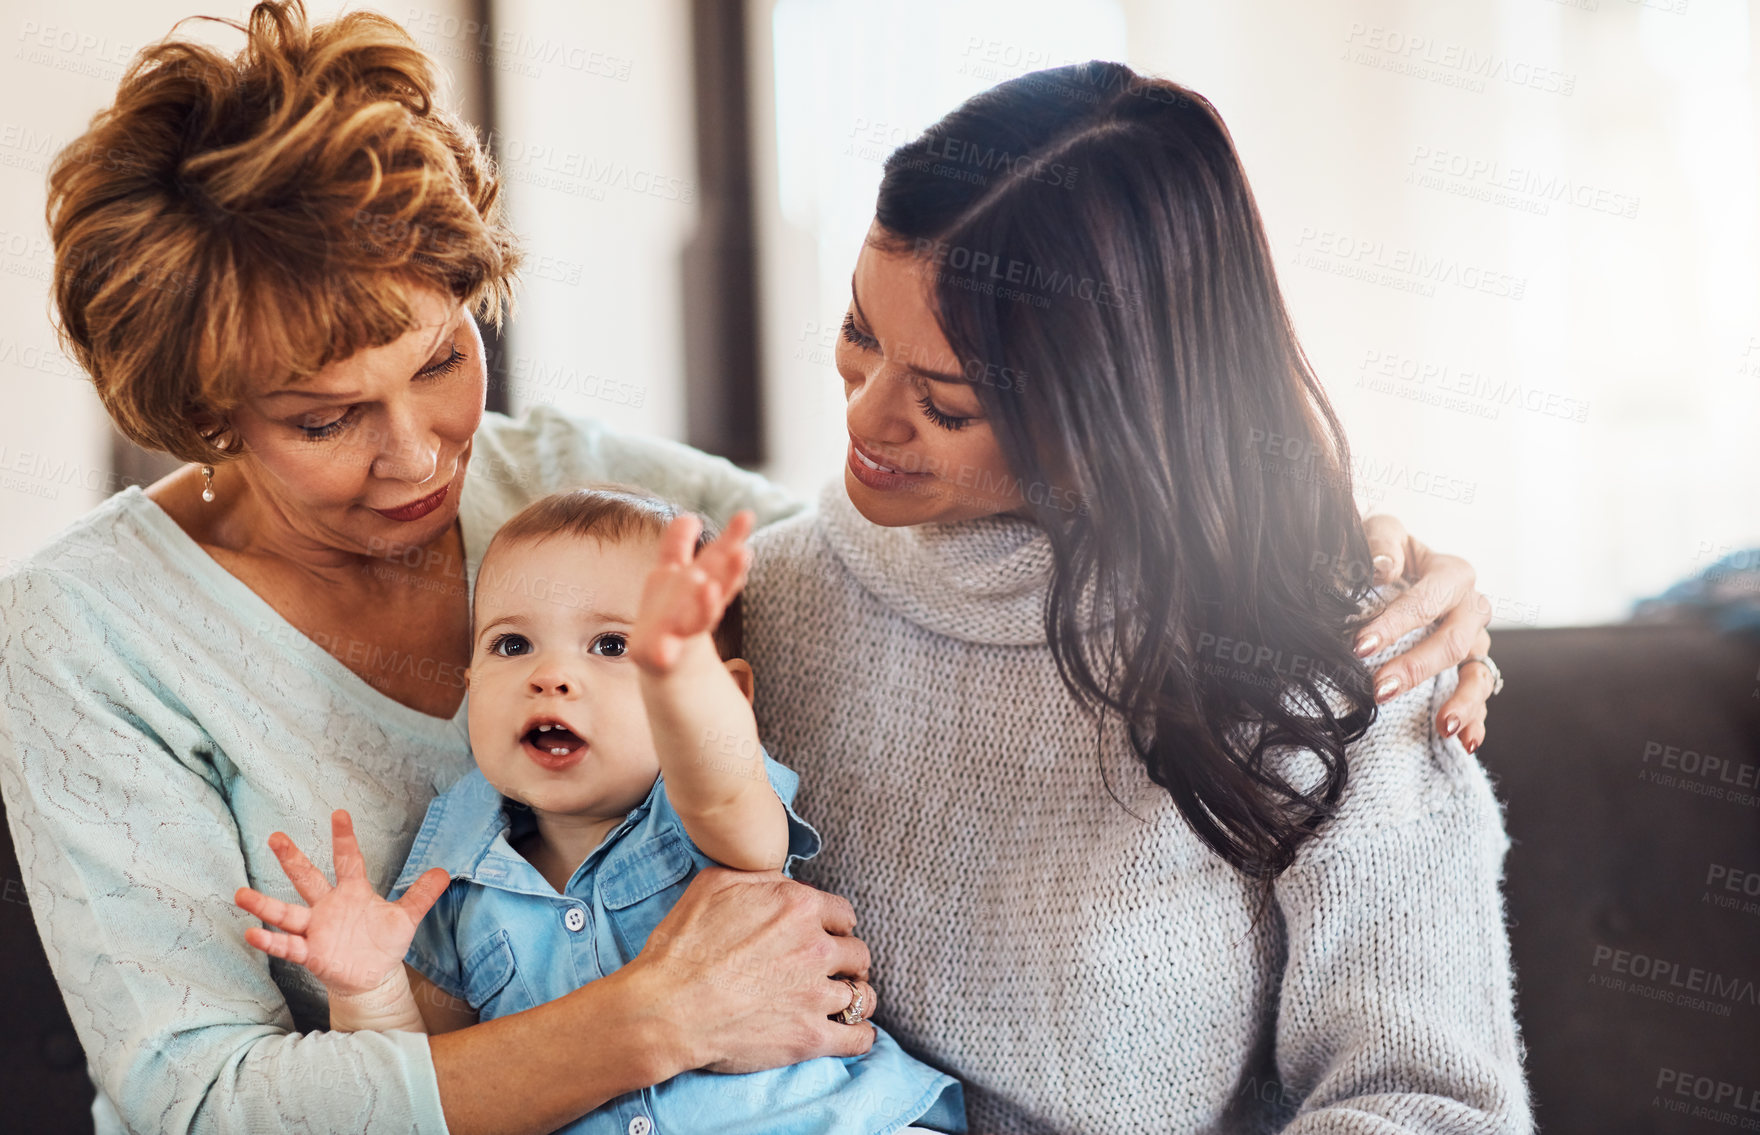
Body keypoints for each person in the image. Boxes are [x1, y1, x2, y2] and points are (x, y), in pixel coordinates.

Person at [0, 3, 1501, 1131]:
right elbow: (199, 1099)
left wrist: (1364, 568)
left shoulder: (594, 500)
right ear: (199, 413)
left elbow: (935, 553)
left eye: (443, 356)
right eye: (326, 418)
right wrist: (653, 1016)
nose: (420, 454)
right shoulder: (85, 638)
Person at [736, 62, 1530, 1131]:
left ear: (1111, 405)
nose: (865, 420)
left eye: (946, 400)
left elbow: (1432, 1104)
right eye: (859, 335)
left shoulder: (1354, 661)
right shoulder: (743, 606)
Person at [230, 488, 964, 1134]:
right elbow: (429, 1087)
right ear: (469, 685)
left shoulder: (702, 810)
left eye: (614, 644)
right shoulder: (448, 876)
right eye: (512, 644)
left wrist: (681, 680)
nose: (551, 676)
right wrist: (367, 985)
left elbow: (723, 780)